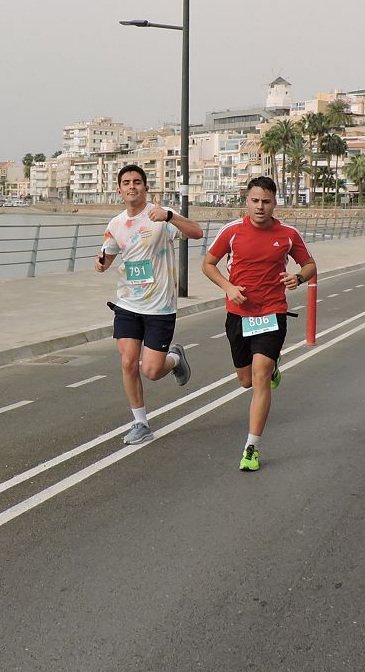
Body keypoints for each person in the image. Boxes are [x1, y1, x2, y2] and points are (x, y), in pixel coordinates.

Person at [202, 176, 317, 472]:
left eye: (266, 201)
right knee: (246, 380)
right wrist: (228, 288)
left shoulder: (288, 234)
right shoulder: (231, 231)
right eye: (255, 201)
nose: (260, 207)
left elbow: (309, 265)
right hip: (238, 315)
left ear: (275, 203)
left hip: (272, 312)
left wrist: (299, 277)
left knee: (261, 374)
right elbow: (208, 264)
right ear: (247, 201)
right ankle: (271, 365)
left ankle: (251, 447)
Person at [96, 164, 204, 444]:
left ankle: (176, 358)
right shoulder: (116, 224)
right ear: (119, 190)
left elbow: (197, 232)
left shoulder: (160, 216)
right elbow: (107, 258)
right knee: (128, 361)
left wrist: (169, 216)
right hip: (128, 303)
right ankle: (140, 423)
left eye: (137, 182)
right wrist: (101, 263)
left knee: (152, 370)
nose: (132, 186)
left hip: (159, 307)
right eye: (126, 183)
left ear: (145, 187)